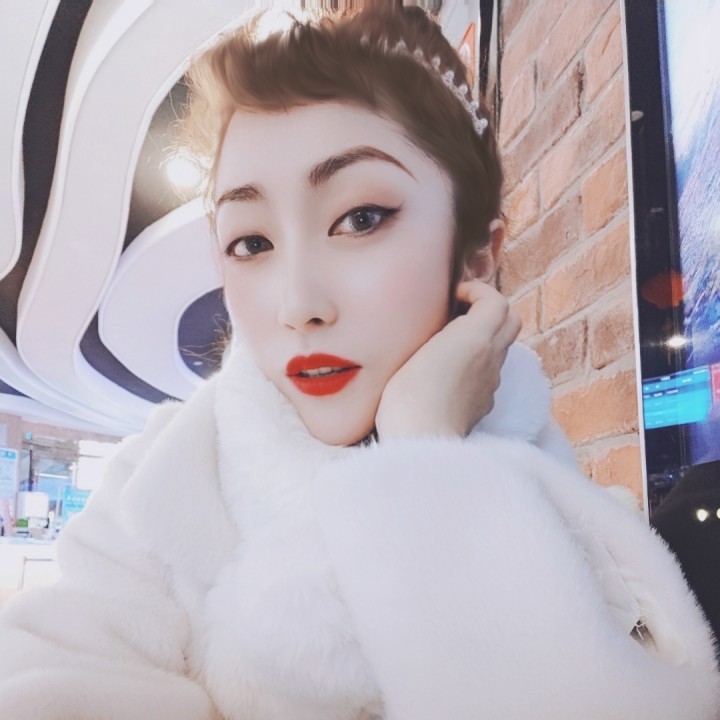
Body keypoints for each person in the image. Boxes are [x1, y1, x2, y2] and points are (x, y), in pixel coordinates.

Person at [0, 5, 718, 719]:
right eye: (251, 242)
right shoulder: (162, 480)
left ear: (477, 255)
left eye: (361, 218)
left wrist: (424, 458)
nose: (298, 304)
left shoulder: (578, 516)